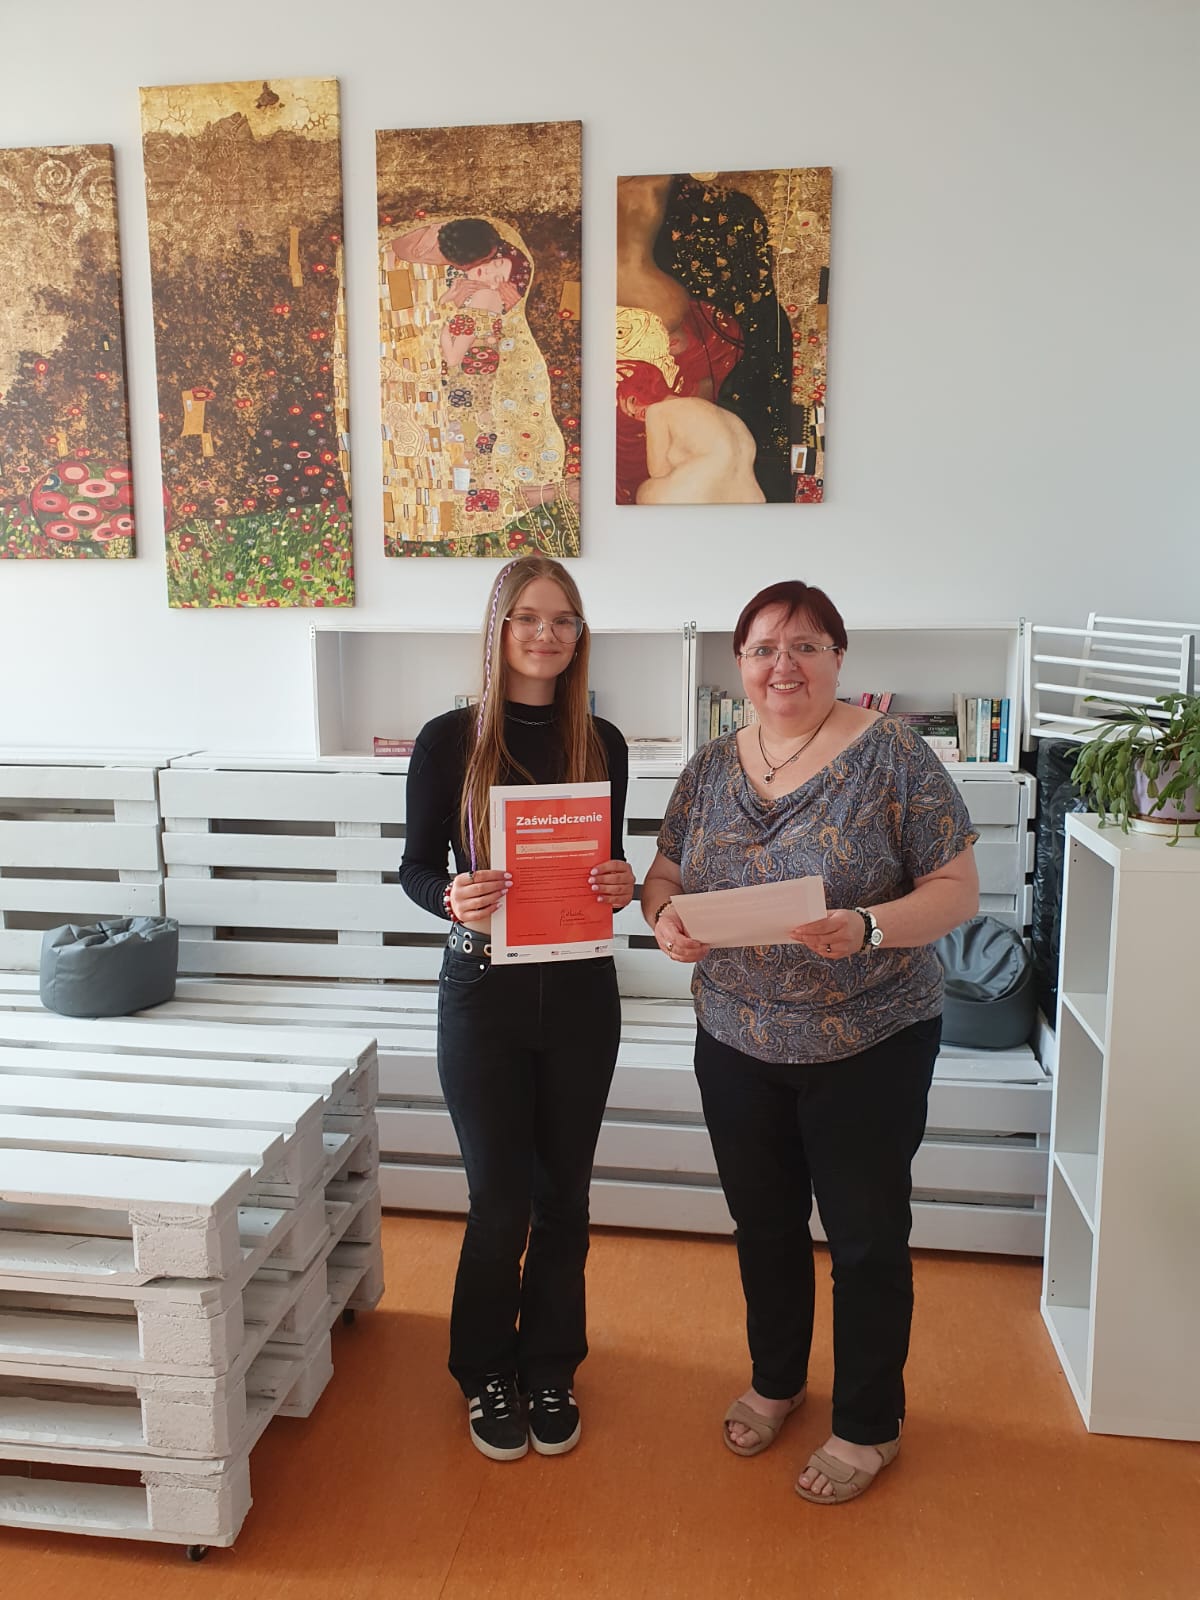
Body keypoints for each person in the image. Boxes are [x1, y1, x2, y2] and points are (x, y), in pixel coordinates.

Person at [640, 580, 979, 1505]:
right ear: (739, 664)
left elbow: (956, 890)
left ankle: (869, 1424)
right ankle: (777, 1379)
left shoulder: (896, 754)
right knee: (764, 1225)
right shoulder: (711, 765)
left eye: (804, 646)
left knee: (866, 1239)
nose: (781, 666)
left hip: (870, 1037)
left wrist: (869, 926)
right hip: (735, 1037)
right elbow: (663, 876)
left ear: (837, 657)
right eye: (762, 649)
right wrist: (665, 920)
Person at [400, 555, 635, 1461]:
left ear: (580, 636)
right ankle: (484, 1368)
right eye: (528, 617)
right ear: (499, 630)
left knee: (564, 1198)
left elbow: (606, 866)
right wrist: (451, 898)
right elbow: (415, 868)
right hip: (483, 994)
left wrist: (618, 883)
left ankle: (550, 1366)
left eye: (563, 619)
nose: (546, 634)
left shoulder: (602, 742)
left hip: (580, 992)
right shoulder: (448, 740)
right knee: (499, 1201)